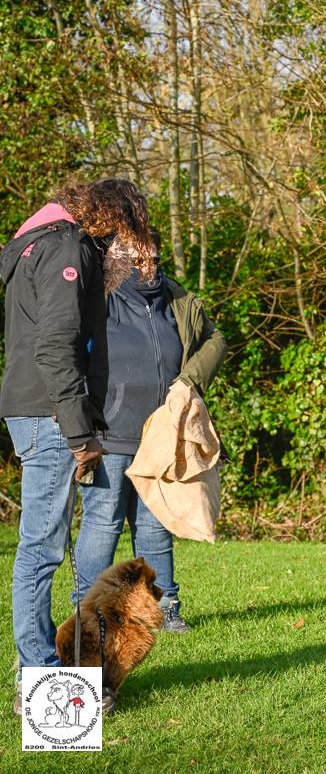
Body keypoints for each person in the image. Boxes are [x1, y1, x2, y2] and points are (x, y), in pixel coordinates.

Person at [0, 178, 152, 716]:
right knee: (41, 551)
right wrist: (79, 433)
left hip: (33, 408)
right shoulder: (67, 247)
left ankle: (47, 672)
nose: (117, 246)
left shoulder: (37, 242)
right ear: (110, 217)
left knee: (41, 548)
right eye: (120, 231)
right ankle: (39, 682)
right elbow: (55, 346)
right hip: (49, 413)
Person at [73, 230, 226, 640]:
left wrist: (189, 381)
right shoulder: (97, 298)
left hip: (159, 438)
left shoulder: (176, 299)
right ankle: (87, 607)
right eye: (139, 260)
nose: (149, 267)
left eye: (154, 259)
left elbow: (215, 339)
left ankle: (166, 606)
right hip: (107, 435)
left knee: (154, 527)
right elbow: (68, 351)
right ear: (118, 261)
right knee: (102, 524)